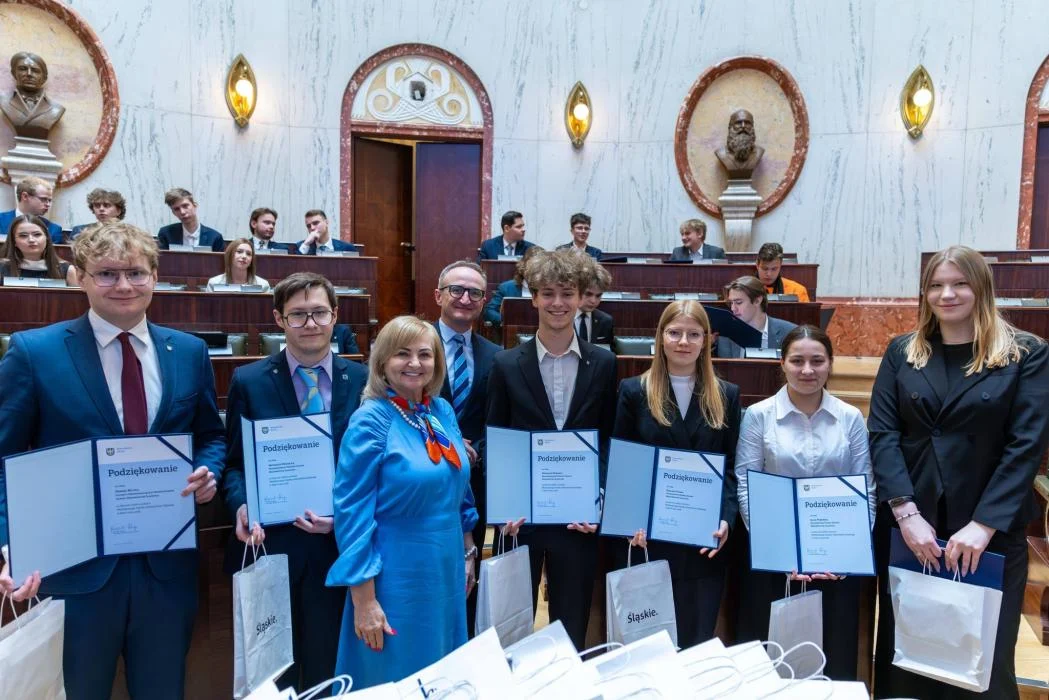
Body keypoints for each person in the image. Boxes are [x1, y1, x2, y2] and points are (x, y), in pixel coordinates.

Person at [0, 221, 224, 698]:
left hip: (165, 572)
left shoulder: (188, 351)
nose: (124, 285)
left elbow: (210, 436)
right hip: (73, 571)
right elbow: (5, 458)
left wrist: (210, 471)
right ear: (79, 277)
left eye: (136, 273)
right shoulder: (34, 353)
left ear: (155, 276)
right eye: (106, 273)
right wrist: (10, 544)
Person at [868, 245, 1049, 699]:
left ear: (981, 288)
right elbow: (883, 433)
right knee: (909, 656)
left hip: (987, 533)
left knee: (981, 665)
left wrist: (984, 524)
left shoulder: (1025, 353)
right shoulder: (902, 352)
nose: (946, 294)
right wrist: (906, 515)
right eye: (936, 285)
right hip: (914, 530)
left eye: (959, 284)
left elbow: (1026, 445)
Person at [221, 272, 368, 692]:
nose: (310, 324)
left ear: (335, 317)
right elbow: (234, 463)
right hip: (271, 544)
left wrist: (346, 516)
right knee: (273, 670)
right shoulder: (248, 381)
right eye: (298, 315)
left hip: (335, 544)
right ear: (279, 320)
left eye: (319, 313)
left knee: (327, 665)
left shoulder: (360, 381)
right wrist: (242, 505)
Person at [325, 315, 478, 688]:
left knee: (443, 675)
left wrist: (469, 549)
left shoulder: (440, 411)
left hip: (445, 570)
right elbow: (352, 513)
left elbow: (457, 484)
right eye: (402, 354)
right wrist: (364, 600)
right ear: (382, 363)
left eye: (425, 354)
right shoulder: (370, 421)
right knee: (397, 676)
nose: (415, 363)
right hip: (396, 576)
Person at [488, 249, 618, 649]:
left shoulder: (605, 362)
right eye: (547, 293)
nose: (557, 303)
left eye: (567, 293)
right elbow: (497, 439)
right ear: (533, 298)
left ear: (582, 297)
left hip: (577, 521)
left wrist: (598, 499)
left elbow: (609, 439)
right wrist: (504, 505)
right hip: (521, 518)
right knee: (509, 629)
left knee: (572, 627)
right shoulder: (507, 364)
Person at [734, 325, 875, 680]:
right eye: (797, 361)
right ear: (782, 363)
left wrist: (846, 554)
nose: (807, 370)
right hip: (774, 562)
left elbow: (866, 490)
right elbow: (747, 486)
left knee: (833, 657)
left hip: (835, 563)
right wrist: (778, 551)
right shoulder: (758, 415)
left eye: (817, 361)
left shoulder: (850, 418)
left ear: (830, 364)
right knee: (771, 660)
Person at [613, 300, 741, 647]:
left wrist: (727, 517)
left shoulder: (726, 395)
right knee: (652, 644)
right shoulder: (633, 391)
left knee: (697, 638)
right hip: (650, 536)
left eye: (693, 334)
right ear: (661, 337)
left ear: (706, 341)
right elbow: (623, 466)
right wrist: (628, 520)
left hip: (704, 538)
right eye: (675, 332)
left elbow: (730, 466)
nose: (683, 341)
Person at [432, 260, 500, 636]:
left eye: (474, 293)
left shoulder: (496, 355)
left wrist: (479, 451)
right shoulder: (413, 346)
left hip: (477, 480)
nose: (465, 298)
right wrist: (448, 446)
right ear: (438, 295)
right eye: (456, 289)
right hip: (423, 479)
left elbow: (500, 421)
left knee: (469, 574)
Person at [717, 276, 796, 357]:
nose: (733, 308)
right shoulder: (726, 336)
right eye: (731, 303)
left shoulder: (789, 332)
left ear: (757, 301)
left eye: (739, 302)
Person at [0, 214, 77, 285]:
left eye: (37, 234)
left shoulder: (67, 270)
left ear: (46, 238)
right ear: (14, 242)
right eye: (23, 236)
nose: (31, 240)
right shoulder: (2, 268)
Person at [483, 245, 543, 327]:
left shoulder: (550, 290)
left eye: (539, 268)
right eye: (532, 267)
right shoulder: (507, 288)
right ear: (524, 266)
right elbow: (489, 311)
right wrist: (507, 321)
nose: (535, 272)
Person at [157, 187, 225, 251]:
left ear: (195, 206)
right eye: (176, 209)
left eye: (185, 206)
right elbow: (164, 261)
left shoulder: (215, 237)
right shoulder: (166, 234)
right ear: (173, 213)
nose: (182, 212)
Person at [0, 175, 62, 243]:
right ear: (25, 196)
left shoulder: (53, 229)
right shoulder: (1, 220)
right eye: (43, 199)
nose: (48, 204)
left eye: (49, 200)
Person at [206, 238, 271, 291]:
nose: (244, 256)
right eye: (239, 252)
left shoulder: (263, 285)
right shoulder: (214, 283)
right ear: (230, 255)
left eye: (248, 254)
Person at [576, 259, 614, 346]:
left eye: (598, 296)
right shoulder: (562, 317)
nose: (593, 301)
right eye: (588, 294)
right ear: (577, 290)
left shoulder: (606, 321)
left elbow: (608, 353)